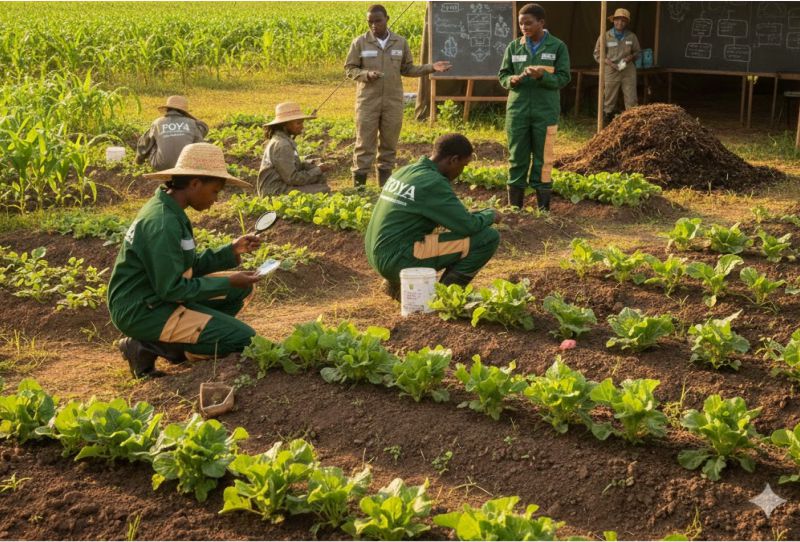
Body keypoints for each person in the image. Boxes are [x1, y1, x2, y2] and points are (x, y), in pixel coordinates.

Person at [109, 143, 263, 378]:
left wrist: (231, 250)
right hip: (143, 309)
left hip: (155, 297)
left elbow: (184, 266)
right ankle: (151, 347)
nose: (216, 199)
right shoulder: (163, 222)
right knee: (244, 339)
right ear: (194, 184)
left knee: (241, 290)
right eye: (215, 191)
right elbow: (172, 288)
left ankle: (187, 336)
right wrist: (228, 281)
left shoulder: (169, 210)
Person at [365, 133, 501, 298]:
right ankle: (445, 297)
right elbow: (468, 226)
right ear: (453, 160)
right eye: (463, 166)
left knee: (417, 235)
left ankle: (395, 285)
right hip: (397, 260)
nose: (461, 172)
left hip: (377, 255)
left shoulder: (407, 171)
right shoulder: (433, 183)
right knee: (488, 237)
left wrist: (467, 216)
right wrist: (490, 214)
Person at [345, 4, 452, 188]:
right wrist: (366, 75)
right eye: (370, 22)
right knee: (364, 145)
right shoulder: (360, 42)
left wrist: (430, 67)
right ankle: (359, 190)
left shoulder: (400, 42)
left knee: (389, 146)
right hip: (367, 102)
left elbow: (407, 68)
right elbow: (350, 69)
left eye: (377, 21)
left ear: (387, 18)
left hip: (393, 102)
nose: (373, 25)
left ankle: (384, 189)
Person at [498, 3, 571, 211]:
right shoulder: (513, 47)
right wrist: (511, 79)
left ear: (541, 22)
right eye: (521, 24)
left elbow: (564, 78)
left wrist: (543, 76)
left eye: (528, 23)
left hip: (545, 111)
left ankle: (543, 211)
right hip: (517, 111)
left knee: (544, 159)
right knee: (516, 157)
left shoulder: (557, 46)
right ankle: (515, 210)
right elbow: (502, 74)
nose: (524, 27)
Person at [257, 102, 331, 196]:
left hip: (280, 186)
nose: (302, 126)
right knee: (323, 190)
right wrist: (318, 170)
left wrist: (311, 164)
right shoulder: (282, 145)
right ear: (285, 125)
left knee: (319, 178)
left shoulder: (282, 140)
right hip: (275, 191)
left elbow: (291, 165)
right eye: (298, 123)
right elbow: (292, 178)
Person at [594, 8, 641, 127]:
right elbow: (597, 53)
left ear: (626, 23)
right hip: (611, 69)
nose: (620, 23)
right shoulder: (605, 36)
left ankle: (631, 124)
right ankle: (607, 121)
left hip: (627, 69)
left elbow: (637, 52)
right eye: (617, 20)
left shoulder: (631, 36)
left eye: (623, 21)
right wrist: (608, 62)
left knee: (631, 97)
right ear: (613, 20)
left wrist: (629, 58)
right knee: (609, 96)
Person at [135, 95, 209, 171]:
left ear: (167, 109)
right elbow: (200, 143)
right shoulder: (192, 123)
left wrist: (138, 160)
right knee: (193, 139)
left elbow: (143, 144)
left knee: (152, 140)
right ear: (184, 112)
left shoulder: (157, 123)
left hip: (161, 165)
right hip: (186, 165)